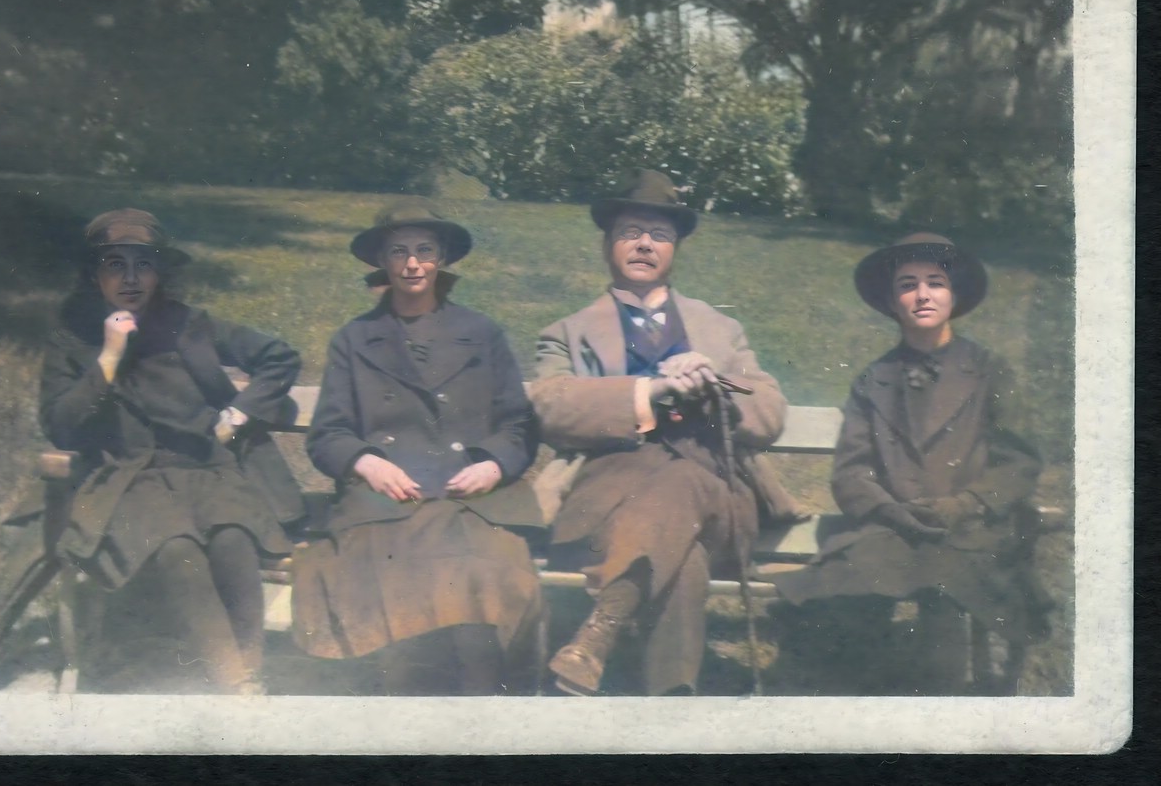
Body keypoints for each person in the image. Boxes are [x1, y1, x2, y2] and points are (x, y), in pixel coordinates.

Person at [529, 169, 803, 696]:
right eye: (630, 232)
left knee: (685, 483)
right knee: (684, 559)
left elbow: (769, 411)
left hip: (721, 500)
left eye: (659, 234)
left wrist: (716, 381)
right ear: (607, 245)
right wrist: (649, 391)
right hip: (607, 499)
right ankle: (672, 707)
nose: (644, 244)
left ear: (675, 249)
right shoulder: (568, 332)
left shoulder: (720, 331)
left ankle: (598, 636)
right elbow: (551, 407)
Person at [31, 208, 304, 693]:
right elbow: (61, 426)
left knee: (234, 540)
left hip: (206, 471)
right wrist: (108, 357)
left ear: (160, 273)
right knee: (179, 550)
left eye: (144, 265)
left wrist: (239, 413)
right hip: (128, 480)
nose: (131, 279)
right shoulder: (72, 337)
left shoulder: (188, 325)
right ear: (94, 274)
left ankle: (247, 678)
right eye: (115, 265)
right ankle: (237, 687)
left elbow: (278, 357)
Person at [769, 233, 1051, 694]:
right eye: (907, 284)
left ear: (954, 295)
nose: (922, 295)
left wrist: (964, 504)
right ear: (891, 301)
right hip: (895, 527)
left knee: (949, 604)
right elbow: (851, 472)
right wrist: (889, 510)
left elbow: (1019, 462)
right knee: (842, 598)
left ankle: (946, 701)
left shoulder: (989, 370)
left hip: (970, 528)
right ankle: (851, 700)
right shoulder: (874, 380)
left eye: (935, 282)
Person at [291, 199, 545, 695]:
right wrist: (368, 463)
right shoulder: (355, 338)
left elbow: (518, 423)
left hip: (470, 499)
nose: (412, 264)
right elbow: (329, 434)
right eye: (399, 252)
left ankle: (485, 707)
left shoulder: (482, 333)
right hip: (386, 502)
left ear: (442, 258)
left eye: (424, 251)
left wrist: (493, 465)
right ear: (381, 261)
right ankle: (408, 709)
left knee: (488, 578)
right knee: (397, 584)